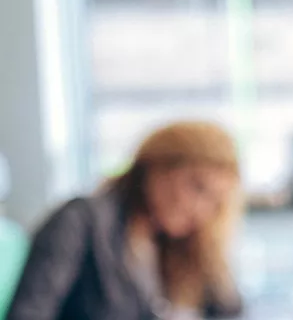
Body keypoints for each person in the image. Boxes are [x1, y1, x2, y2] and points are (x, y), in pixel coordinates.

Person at [8, 121, 244, 320]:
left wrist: (211, 252)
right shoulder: (79, 222)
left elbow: (229, 311)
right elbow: (27, 313)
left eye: (215, 202)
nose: (200, 210)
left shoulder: (170, 245)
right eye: (196, 187)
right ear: (155, 168)